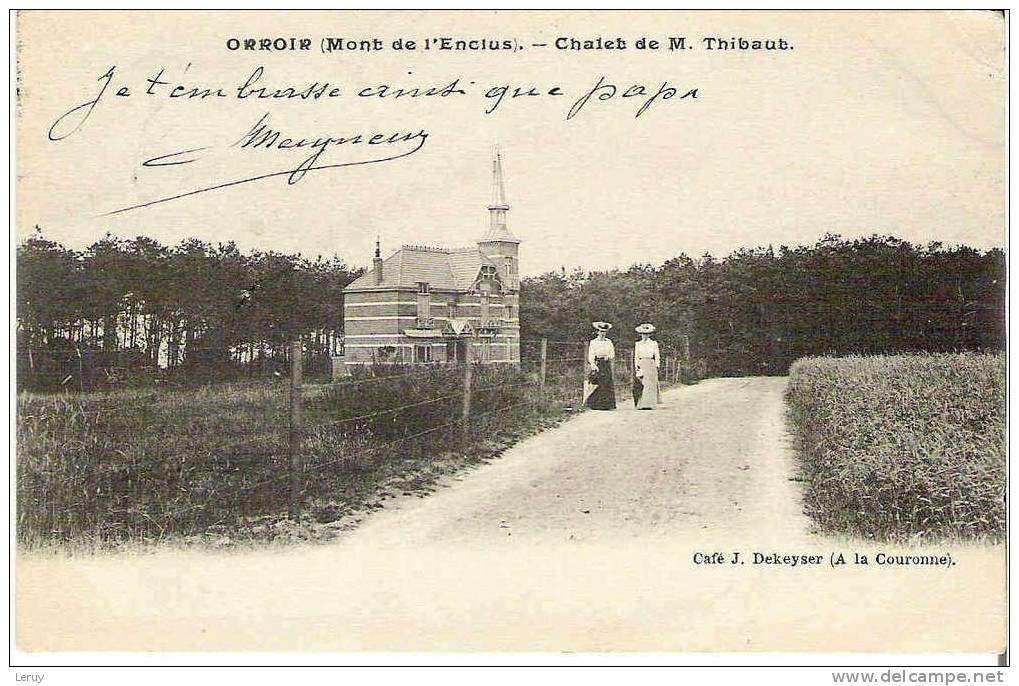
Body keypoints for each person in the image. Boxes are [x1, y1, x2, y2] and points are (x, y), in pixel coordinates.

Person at [583, 322, 616, 410]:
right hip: (597, 363)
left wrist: (608, 357)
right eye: (601, 331)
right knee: (598, 383)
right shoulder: (593, 342)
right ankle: (596, 404)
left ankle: (607, 405)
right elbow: (591, 355)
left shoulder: (608, 342)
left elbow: (612, 353)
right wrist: (593, 365)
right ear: (597, 332)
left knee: (607, 383)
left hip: (606, 363)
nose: (603, 333)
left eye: (604, 332)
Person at [632, 323, 660, 409]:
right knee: (642, 384)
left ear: (650, 334)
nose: (645, 336)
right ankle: (641, 404)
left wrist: (657, 365)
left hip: (650, 363)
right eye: (643, 334)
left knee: (650, 384)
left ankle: (650, 404)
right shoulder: (638, 344)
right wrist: (636, 366)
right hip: (642, 363)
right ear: (640, 334)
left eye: (647, 334)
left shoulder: (653, 343)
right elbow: (636, 356)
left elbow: (657, 355)